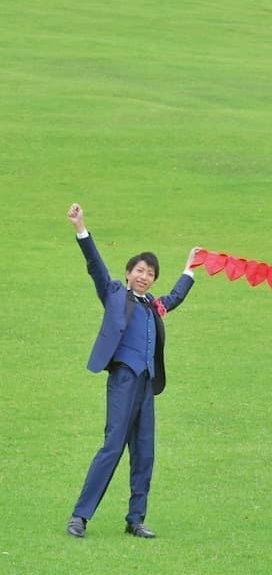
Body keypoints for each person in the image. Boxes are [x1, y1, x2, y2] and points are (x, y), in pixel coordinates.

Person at [65, 203, 201, 539]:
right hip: (123, 380)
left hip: (146, 385)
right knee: (112, 446)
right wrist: (81, 228)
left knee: (145, 452)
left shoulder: (154, 305)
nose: (144, 276)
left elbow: (174, 298)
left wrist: (189, 270)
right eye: (139, 270)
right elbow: (95, 265)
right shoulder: (113, 293)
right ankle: (80, 516)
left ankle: (135, 518)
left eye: (150, 273)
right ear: (129, 273)